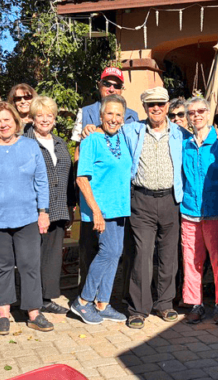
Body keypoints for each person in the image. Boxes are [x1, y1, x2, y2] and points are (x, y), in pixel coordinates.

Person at [0, 102, 53, 335]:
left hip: (27, 217)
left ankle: (34, 313)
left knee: (30, 265)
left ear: (16, 121)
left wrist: (43, 212)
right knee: (1, 266)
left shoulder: (29, 146)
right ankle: (4, 314)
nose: (3, 124)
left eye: (7, 119)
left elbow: (41, 181)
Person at [122, 87, 190, 329]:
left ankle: (164, 303)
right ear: (144, 108)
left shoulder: (181, 134)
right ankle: (138, 308)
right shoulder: (131, 131)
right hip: (141, 200)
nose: (156, 108)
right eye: (151, 105)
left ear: (167, 105)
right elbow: (109, 136)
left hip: (171, 200)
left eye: (161, 104)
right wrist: (93, 129)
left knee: (169, 255)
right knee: (142, 255)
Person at [71, 66, 138, 290]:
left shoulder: (132, 116)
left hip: (120, 195)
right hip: (95, 191)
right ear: (99, 86)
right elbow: (78, 154)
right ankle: (86, 295)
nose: (111, 88)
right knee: (91, 247)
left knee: (120, 248)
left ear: (122, 88)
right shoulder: (86, 112)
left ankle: (111, 296)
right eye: (107, 84)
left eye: (116, 85)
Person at [70, 95, 132, 324]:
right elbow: (82, 179)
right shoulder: (91, 141)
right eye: (109, 113)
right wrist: (95, 211)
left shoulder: (122, 139)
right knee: (107, 252)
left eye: (118, 114)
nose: (114, 119)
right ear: (101, 115)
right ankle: (83, 301)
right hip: (101, 208)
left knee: (115, 253)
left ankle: (102, 303)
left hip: (119, 207)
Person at [180, 97, 218, 324]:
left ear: (209, 114)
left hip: (214, 211)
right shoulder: (184, 144)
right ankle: (195, 303)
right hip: (189, 211)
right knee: (191, 261)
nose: (197, 115)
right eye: (192, 112)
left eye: (201, 111)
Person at [24, 96, 75, 315]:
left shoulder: (59, 142)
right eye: (40, 115)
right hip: (33, 209)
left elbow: (68, 174)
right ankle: (30, 300)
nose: (45, 119)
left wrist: (70, 204)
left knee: (52, 256)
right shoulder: (23, 142)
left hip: (58, 208)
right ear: (32, 118)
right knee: (32, 257)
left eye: (49, 115)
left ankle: (46, 298)